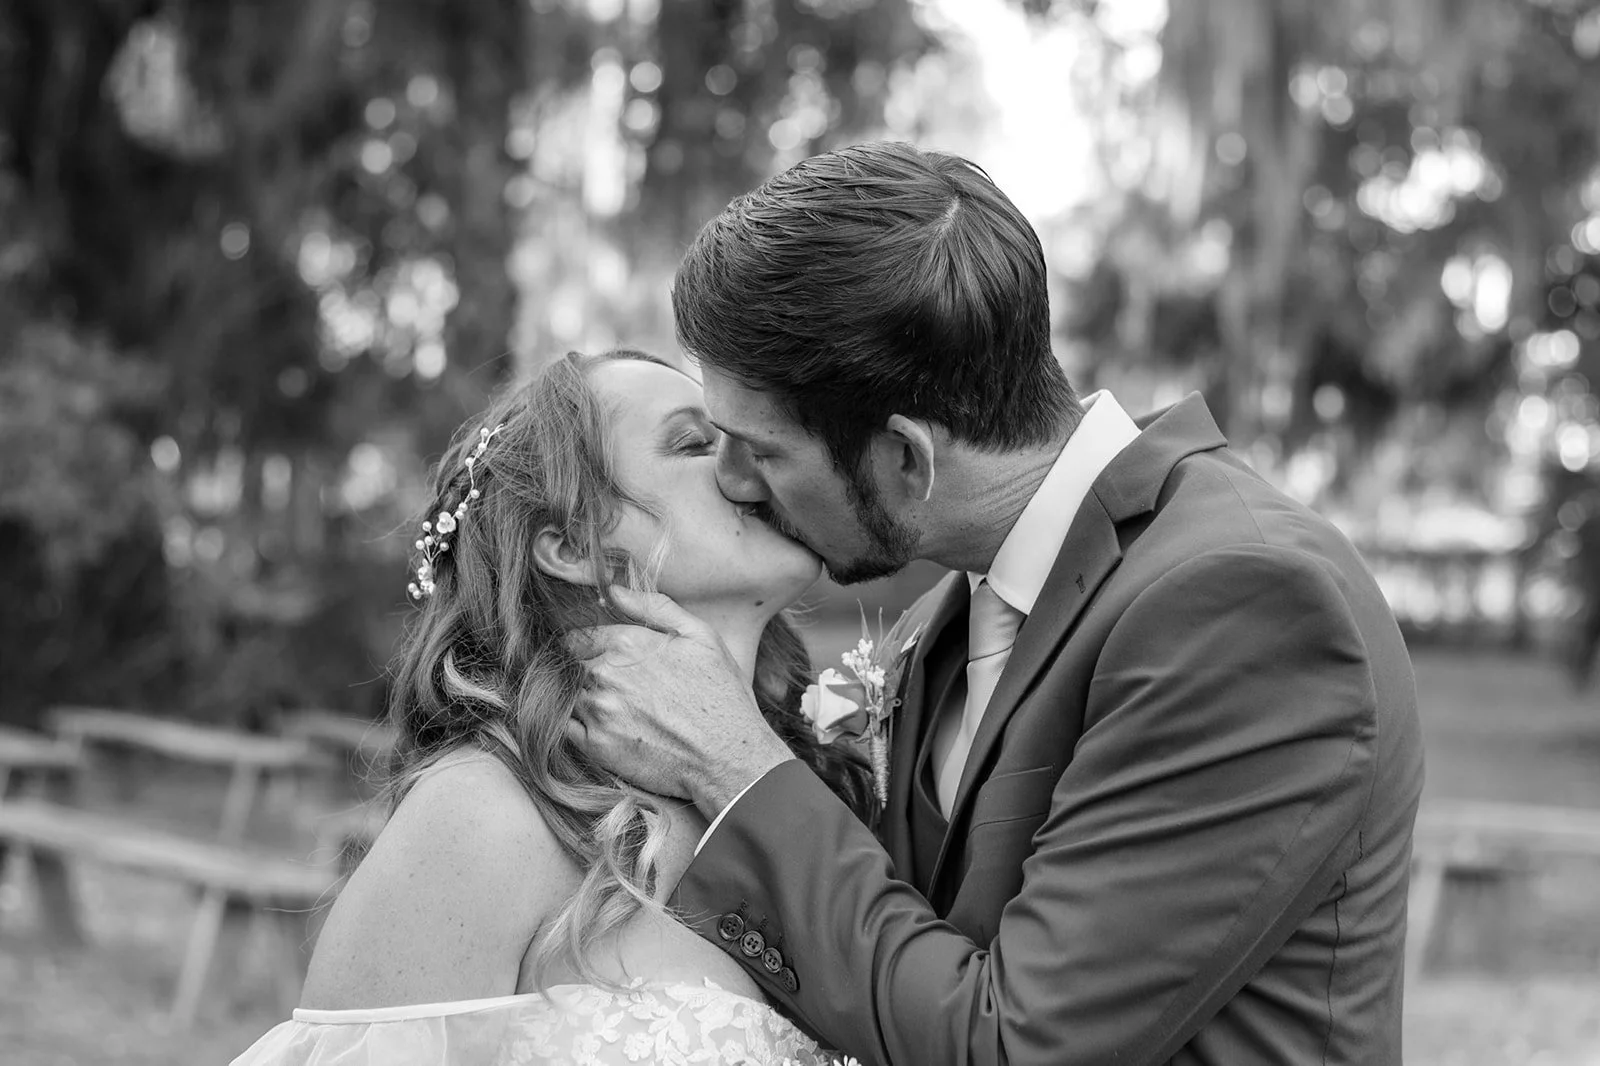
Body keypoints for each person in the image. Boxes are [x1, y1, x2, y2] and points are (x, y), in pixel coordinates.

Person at [568, 142, 1426, 1066]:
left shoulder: (1245, 603)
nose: (735, 483)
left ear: (905, 458)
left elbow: (1019, 1046)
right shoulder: (969, 602)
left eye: (761, 451)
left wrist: (734, 768)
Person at [231, 349, 868, 1066]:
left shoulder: (816, 801)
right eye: (694, 442)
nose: (747, 461)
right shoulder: (483, 816)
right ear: (573, 546)